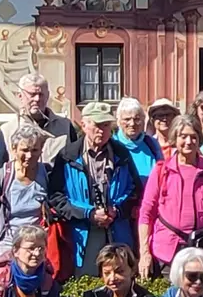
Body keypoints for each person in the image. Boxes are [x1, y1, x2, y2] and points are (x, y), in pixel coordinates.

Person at [47, 102, 141, 276]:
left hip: (117, 231)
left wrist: (117, 210)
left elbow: (135, 191)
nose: (102, 131)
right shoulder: (68, 156)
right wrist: (87, 213)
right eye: (97, 125)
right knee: (86, 284)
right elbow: (56, 197)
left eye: (106, 125)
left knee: (119, 278)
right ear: (84, 125)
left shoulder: (121, 154)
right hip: (82, 235)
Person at [138, 113, 203, 279]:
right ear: (174, 139)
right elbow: (146, 213)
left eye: (193, 137)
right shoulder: (162, 170)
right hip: (168, 252)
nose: (189, 142)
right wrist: (144, 253)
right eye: (183, 136)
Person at [0, 122, 52, 250]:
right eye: (24, 150)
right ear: (14, 149)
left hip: (38, 243)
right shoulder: (2, 176)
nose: (29, 156)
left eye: (35, 150)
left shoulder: (47, 174)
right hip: (8, 243)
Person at [0, 72, 76, 168]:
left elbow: (75, 163)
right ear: (20, 96)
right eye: (32, 94)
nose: (37, 99)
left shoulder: (65, 127)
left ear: (48, 96)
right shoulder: (8, 131)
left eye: (41, 94)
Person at [114, 98, 164, 185]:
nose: (132, 124)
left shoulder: (151, 144)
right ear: (118, 121)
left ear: (143, 120)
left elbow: (162, 175)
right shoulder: (112, 145)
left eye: (137, 119)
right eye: (127, 119)